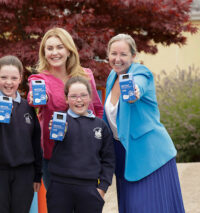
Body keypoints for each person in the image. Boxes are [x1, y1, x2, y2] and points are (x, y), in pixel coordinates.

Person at [103, 33, 185, 213]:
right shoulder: (112, 76)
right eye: (113, 53)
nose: (117, 59)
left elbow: (137, 86)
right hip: (123, 154)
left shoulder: (140, 72)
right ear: (107, 55)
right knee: (130, 207)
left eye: (123, 54)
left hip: (149, 155)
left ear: (133, 56)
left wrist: (134, 92)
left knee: (146, 208)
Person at [28, 27, 104, 189]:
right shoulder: (39, 79)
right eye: (49, 48)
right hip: (54, 156)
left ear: (69, 50)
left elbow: (98, 109)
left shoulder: (85, 75)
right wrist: (39, 98)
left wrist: (96, 139)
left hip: (85, 153)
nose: (54, 52)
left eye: (59, 47)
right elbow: (34, 99)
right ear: (44, 53)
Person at [0, 55, 42, 213]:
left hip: (24, 175)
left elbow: (35, 143)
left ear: (20, 78)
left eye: (14, 78)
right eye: (4, 77)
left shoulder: (28, 107)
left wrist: (37, 174)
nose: (9, 82)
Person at [46, 76, 115, 213]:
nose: (79, 100)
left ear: (90, 97)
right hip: (60, 187)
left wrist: (102, 188)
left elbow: (109, 160)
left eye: (83, 95)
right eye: (73, 96)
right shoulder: (60, 121)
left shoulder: (100, 126)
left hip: (89, 189)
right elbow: (49, 144)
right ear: (66, 99)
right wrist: (54, 130)